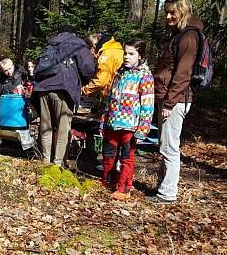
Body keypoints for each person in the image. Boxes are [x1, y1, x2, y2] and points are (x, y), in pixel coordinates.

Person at [150, 0, 205, 204]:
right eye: (166, 13)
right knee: (164, 144)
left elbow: (183, 74)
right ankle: (163, 187)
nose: (168, 17)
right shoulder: (179, 34)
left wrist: (170, 102)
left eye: (172, 13)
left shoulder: (189, 37)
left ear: (182, 11)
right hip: (169, 96)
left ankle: (168, 193)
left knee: (169, 147)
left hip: (176, 99)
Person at [99, 38, 155, 200]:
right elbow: (110, 99)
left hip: (130, 126)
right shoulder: (119, 73)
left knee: (126, 157)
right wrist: (104, 120)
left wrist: (143, 128)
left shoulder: (145, 76)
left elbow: (148, 105)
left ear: (140, 55)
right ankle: (108, 180)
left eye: (131, 54)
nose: (126, 57)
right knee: (108, 154)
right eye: (125, 53)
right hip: (112, 123)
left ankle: (124, 188)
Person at [32, 28, 96, 166]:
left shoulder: (51, 44)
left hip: (43, 88)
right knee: (63, 127)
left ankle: (45, 160)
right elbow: (88, 69)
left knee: (45, 126)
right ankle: (58, 164)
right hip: (63, 88)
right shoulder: (78, 44)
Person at [82, 31, 124, 107]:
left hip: (113, 96)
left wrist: (84, 90)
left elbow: (101, 81)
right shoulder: (115, 50)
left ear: (93, 46)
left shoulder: (107, 55)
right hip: (119, 94)